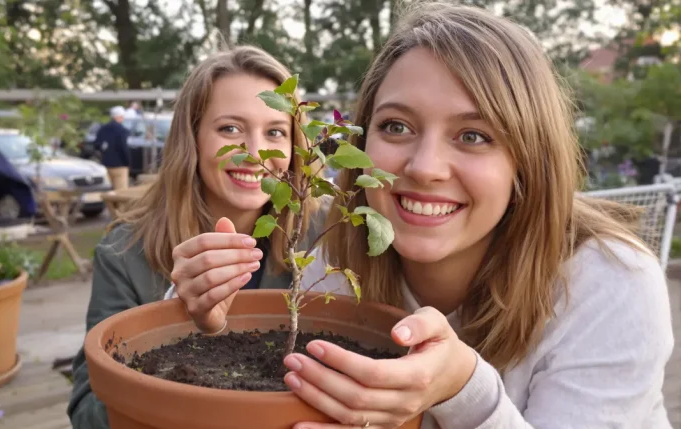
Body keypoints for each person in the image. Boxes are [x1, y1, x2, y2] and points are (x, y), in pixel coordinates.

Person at [171, 3, 674, 429]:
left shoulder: (608, 284)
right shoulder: (338, 269)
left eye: (473, 135)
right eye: (396, 126)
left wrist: (466, 391)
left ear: (527, 161)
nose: (425, 167)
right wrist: (205, 325)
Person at [66, 45, 326, 429]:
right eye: (230, 129)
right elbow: (88, 412)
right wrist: (177, 320)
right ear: (193, 138)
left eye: (275, 131)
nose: (254, 153)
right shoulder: (125, 252)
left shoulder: (322, 235)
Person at [95, 106, 131, 190]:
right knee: (121, 192)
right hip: (120, 165)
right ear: (120, 116)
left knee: (108, 192)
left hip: (105, 165)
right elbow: (123, 148)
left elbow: (97, 145)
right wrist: (127, 162)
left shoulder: (102, 129)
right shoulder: (122, 130)